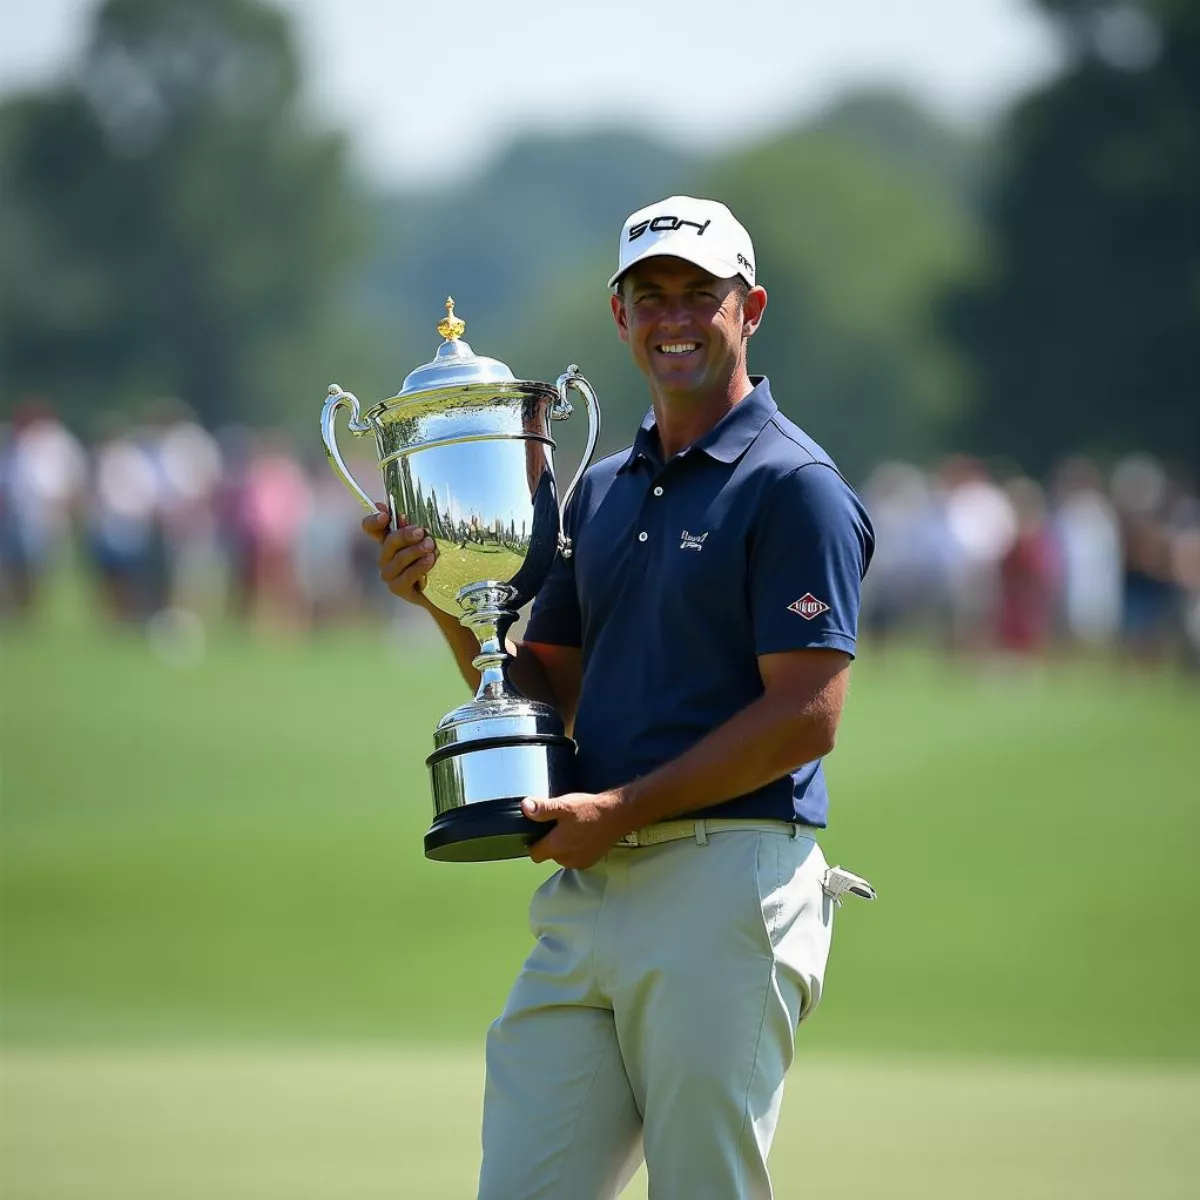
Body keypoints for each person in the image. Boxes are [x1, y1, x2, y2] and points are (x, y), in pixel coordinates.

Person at [364, 196, 875, 1199]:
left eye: (699, 295)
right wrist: (437, 601)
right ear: (619, 316)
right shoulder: (598, 490)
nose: (673, 317)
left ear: (750, 308)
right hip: (592, 887)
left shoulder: (793, 484)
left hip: (727, 877)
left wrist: (623, 808)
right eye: (650, 297)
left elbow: (809, 713)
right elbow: (537, 694)